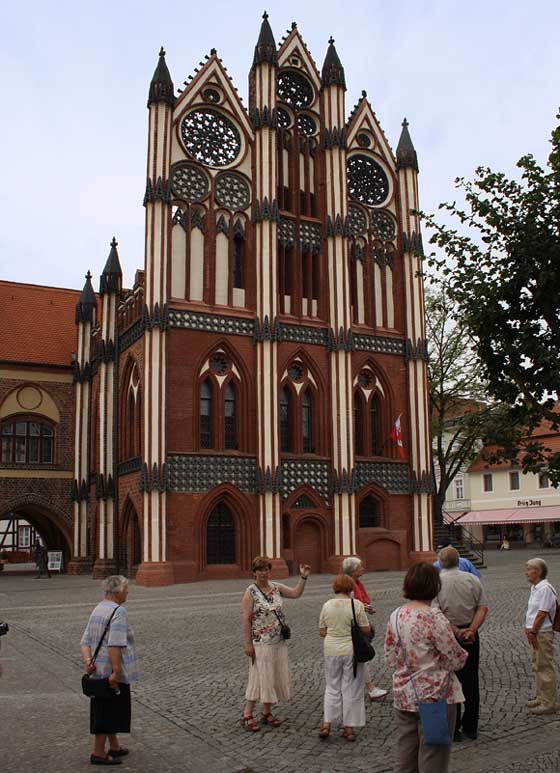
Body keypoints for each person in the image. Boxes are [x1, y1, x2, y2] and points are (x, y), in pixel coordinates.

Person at [385, 562, 468, 773]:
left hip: (404, 693)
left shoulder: (396, 614)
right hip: (434, 696)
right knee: (434, 757)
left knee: (406, 755)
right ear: (434, 586)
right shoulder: (433, 617)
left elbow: (391, 656)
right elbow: (454, 658)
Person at [241, 556, 311, 731]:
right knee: (258, 676)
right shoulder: (251, 592)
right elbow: (246, 619)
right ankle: (247, 714)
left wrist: (303, 577)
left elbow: (295, 593)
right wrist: (248, 644)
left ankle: (266, 712)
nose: (264, 573)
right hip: (260, 642)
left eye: (266, 569)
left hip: (277, 640)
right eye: (260, 570)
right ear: (254, 572)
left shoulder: (276, 588)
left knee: (271, 675)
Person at [80, 575, 139, 765]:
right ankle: (98, 753)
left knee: (108, 707)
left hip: (98, 670)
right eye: (126, 589)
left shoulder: (99, 608)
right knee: (108, 710)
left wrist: (88, 661)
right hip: (111, 671)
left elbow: (85, 641)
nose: (128, 593)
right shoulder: (118, 611)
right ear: (118, 591)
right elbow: (115, 644)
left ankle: (114, 746)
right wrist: (115, 672)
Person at [432, 546, 489, 741]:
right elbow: (482, 607)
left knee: (449, 680)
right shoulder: (472, 579)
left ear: (440, 562)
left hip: (447, 635)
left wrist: (455, 630)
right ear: (459, 561)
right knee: (471, 680)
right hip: (471, 634)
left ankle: (453, 727)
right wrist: (471, 629)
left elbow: (436, 613)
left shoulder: (436, 583)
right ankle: (471, 726)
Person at [318, 574, 371, 741]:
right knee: (350, 688)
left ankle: (327, 723)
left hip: (331, 650)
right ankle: (348, 728)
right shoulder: (356, 605)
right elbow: (365, 630)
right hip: (350, 651)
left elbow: (322, 631)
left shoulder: (327, 605)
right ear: (350, 588)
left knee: (332, 686)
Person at [342, 555, 388, 701]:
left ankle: (359, 688)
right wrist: (363, 609)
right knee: (359, 657)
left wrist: (365, 608)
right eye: (360, 566)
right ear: (353, 570)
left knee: (357, 658)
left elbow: (356, 602)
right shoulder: (347, 584)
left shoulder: (355, 582)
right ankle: (370, 688)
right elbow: (348, 603)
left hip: (357, 624)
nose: (363, 568)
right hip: (353, 627)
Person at [524, 557, 558, 714]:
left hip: (542, 632)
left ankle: (549, 703)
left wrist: (533, 631)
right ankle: (541, 696)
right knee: (538, 665)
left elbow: (542, 613)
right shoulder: (536, 587)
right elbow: (533, 612)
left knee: (545, 666)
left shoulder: (544, 588)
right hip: (537, 632)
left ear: (537, 572)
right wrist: (528, 628)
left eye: (528, 569)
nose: (526, 573)